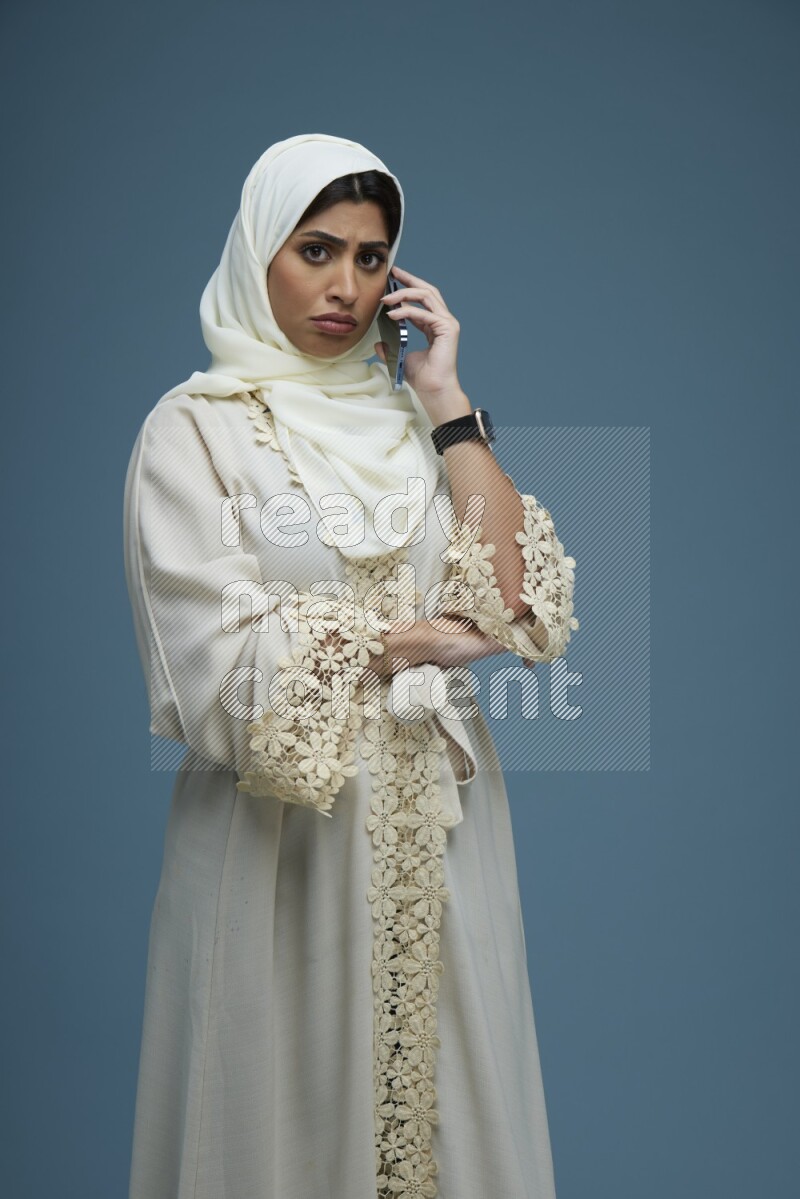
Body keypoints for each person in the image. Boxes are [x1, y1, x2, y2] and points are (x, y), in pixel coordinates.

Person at [123, 132, 578, 1199]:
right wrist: (409, 641)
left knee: (454, 1114)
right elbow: (209, 656)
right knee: (280, 1114)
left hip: (444, 830)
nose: (345, 285)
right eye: (316, 250)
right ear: (258, 256)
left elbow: (515, 600)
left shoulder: (415, 424)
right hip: (281, 833)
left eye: (371, 258)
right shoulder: (194, 432)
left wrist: (446, 400)